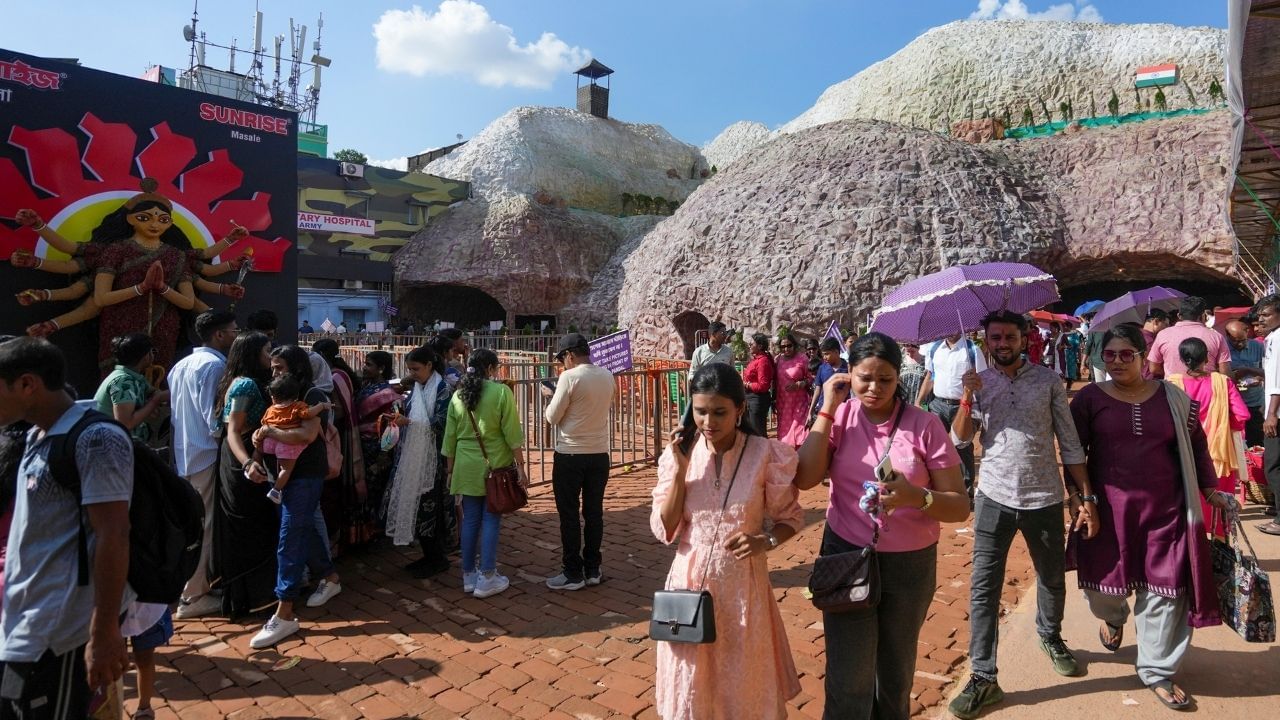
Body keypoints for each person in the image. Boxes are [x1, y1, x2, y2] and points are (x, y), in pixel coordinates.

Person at [793, 332, 969, 719]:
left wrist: (917, 497)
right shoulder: (840, 417)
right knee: (848, 678)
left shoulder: (925, 426)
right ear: (849, 374)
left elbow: (960, 506)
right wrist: (826, 407)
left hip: (909, 567)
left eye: (885, 379)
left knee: (894, 675)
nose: (874, 388)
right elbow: (805, 478)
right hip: (846, 556)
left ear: (898, 377)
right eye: (864, 378)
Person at [1068, 323, 1230, 709]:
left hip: (1167, 510)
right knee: (1101, 590)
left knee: (1165, 590)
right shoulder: (1089, 399)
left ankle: (1156, 669)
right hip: (1108, 511)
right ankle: (1113, 617)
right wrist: (1079, 499)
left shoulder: (1172, 397)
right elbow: (1073, 455)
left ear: (1144, 358)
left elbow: (1196, 445)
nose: (1118, 361)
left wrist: (1210, 489)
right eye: (1110, 355)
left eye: (1127, 354)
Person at [946, 311, 1097, 719]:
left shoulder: (1048, 381)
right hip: (993, 497)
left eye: (1009, 336)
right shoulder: (978, 383)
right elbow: (959, 439)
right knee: (983, 587)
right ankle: (983, 676)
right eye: (995, 337)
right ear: (986, 341)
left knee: (1051, 576)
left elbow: (1069, 441)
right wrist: (967, 396)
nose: (1002, 344)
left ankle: (1050, 635)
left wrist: (1084, 495)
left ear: (1024, 338)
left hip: (1043, 496)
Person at [651, 363, 805, 719]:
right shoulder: (680, 454)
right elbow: (666, 529)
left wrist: (765, 540)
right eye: (700, 411)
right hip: (689, 585)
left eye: (719, 412)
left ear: (740, 409)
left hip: (743, 588)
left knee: (742, 684)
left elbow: (790, 518)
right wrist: (680, 470)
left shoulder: (765, 453)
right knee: (693, 685)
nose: (708, 422)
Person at [0, 338, 132, 719]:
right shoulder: (35, 436)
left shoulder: (96, 439)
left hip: (62, 633)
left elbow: (114, 534)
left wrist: (103, 632)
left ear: (27, 384)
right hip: (25, 625)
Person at [246, 345, 343, 648]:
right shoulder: (280, 393)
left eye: (279, 367)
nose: (273, 371)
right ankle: (329, 576)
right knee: (302, 528)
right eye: (273, 366)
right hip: (280, 474)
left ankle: (285, 611)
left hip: (305, 475)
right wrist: (255, 456)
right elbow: (269, 425)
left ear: (297, 368)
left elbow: (306, 434)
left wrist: (268, 433)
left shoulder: (312, 395)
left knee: (290, 536)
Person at [167, 310, 238, 620]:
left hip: (185, 453)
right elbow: (214, 420)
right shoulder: (214, 366)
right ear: (219, 335)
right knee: (204, 525)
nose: (237, 335)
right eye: (234, 330)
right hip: (205, 454)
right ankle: (194, 596)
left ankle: (194, 587)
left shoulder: (181, 365)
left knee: (191, 524)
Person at [442, 349, 527, 598]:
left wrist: (449, 470)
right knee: (491, 518)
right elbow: (512, 432)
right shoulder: (501, 392)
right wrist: (521, 465)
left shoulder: (457, 395)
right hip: (494, 465)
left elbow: (449, 437)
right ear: (490, 368)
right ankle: (487, 575)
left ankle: (469, 574)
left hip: (464, 465)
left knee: (470, 519)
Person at [211, 332, 279, 618]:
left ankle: (256, 594)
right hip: (242, 461)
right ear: (253, 354)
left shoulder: (244, 381)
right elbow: (233, 432)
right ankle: (248, 597)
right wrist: (249, 463)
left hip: (248, 458)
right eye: (267, 351)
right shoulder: (245, 385)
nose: (270, 357)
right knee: (247, 528)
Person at [544, 333, 616, 591]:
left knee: (569, 514)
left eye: (562, 358)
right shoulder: (607, 375)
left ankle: (572, 572)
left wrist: (550, 396)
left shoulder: (569, 377)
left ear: (570, 355)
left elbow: (552, 416)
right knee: (594, 513)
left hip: (571, 454)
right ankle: (593, 568)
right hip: (599, 453)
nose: (562, 363)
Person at [1164, 337, 1250, 537]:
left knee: (1186, 509)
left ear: (1182, 359)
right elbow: (1242, 415)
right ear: (1207, 358)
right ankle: (1219, 546)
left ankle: (1192, 548)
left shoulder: (1171, 385)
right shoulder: (1222, 382)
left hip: (1183, 454)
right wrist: (1223, 427)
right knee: (1219, 511)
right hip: (1219, 456)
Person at [383, 346, 455, 578]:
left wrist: (410, 423)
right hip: (415, 456)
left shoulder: (443, 390)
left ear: (429, 366)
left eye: (416, 369)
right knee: (419, 506)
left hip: (435, 459)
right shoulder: (417, 388)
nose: (412, 373)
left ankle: (438, 558)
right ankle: (429, 555)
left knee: (431, 508)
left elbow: (443, 423)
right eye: (410, 369)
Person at [311, 338, 371, 550]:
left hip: (340, 435)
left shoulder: (334, 378)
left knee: (335, 488)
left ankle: (336, 539)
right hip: (346, 433)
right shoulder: (342, 373)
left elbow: (339, 410)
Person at [918, 331, 987, 494]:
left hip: (962, 406)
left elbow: (983, 380)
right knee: (934, 445)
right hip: (938, 404)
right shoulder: (934, 349)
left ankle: (966, 490)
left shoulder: (972, 350)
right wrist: (919, 401)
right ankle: (937, 486)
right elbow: (930, 377)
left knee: (962, 446)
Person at [252, 375, 331, 504]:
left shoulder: (270, 410)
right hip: (287, 446)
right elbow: (308, 414)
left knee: (260, 450)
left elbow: (263, 423)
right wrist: (321, 406)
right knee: (286, 470)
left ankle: (254, 467)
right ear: (296, 395)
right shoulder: (298, 406)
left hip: (269, 444)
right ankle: (276, 490)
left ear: (273, 397)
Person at [355, 350, 403, 523]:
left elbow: (393, 425)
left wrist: (384, 453)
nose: (364, 368)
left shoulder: (388, 394)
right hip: (362, 446)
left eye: (369, 365)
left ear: (381, 368)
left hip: (377, 449)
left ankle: (376, 527)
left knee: (376, 489)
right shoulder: (366, 386)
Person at [93, 333, 169, 441]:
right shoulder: (123, 381)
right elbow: (125, 423)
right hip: (112, 443)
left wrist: (154, 398)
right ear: (146, 356)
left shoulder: (133, 377)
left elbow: (152, 392)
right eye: (152, 351)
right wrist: (155, 401)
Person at [1148, 296, 1230, 379]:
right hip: (1207, 386)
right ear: (1203, 316)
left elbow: (1153, 368)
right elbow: (1225, 373)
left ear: (1179, 316)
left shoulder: (1163, 334)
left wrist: (1171, 373)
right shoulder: (1216, 337)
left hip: (1173, 386)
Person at [1257, 295, 1280, 532]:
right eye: (1260, 315)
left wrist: (1271, 414)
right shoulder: (1272, 338)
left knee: (1273, 466)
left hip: (1277, 414)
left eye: (1266, 315)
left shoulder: (1278, 339)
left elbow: (1278, 382)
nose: (1261, 319)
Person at [1225, 319, 1266, 446]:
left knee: (1257, 442)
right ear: (1228, 336)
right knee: (1237, 444)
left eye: (1243, 340)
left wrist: (1251, 373)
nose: (1240, 344)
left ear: (1247, 333)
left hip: (1255, 403)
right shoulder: (1223, 349)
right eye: (1235, 341)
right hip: (1233, 404)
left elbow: (1267, 372)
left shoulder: (1258, 347)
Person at [773, 333, 811, 447]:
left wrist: (800, 384)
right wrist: (773, 399)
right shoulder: (778, 360)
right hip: (783, 403)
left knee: (800, 432)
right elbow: (775, 381)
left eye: (789, 346)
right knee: (785, 438)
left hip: (799, 402)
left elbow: (812, 377)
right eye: (783, 346)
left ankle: (802, 456)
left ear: (794, 345)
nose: (786, 349)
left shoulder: (803, 358)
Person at [807, 338, 848, 425]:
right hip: (824, 410)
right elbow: (817, 390)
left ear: (836, 352)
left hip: (843, 412)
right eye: (823, 354)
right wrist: (811, 411)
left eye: (826, 354)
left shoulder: (848, 368)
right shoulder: (822, 368)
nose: (824, 357)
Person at [742, 333, 775, 436]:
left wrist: (747, 385)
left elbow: (763, 386)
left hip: (757, 400)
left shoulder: (763, 362)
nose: (749, 346)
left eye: (752, 344)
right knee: (752, 432)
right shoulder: (757, 359)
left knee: (758, 433)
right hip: (751, 399)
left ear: (760, 346)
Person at [898, 343, 927, 408]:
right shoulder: (900, 360)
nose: (910, 354)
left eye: (912, 351)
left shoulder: (926, 361)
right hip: (902, 403)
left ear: (918, 347)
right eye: (908, 352)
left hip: (920, 404)